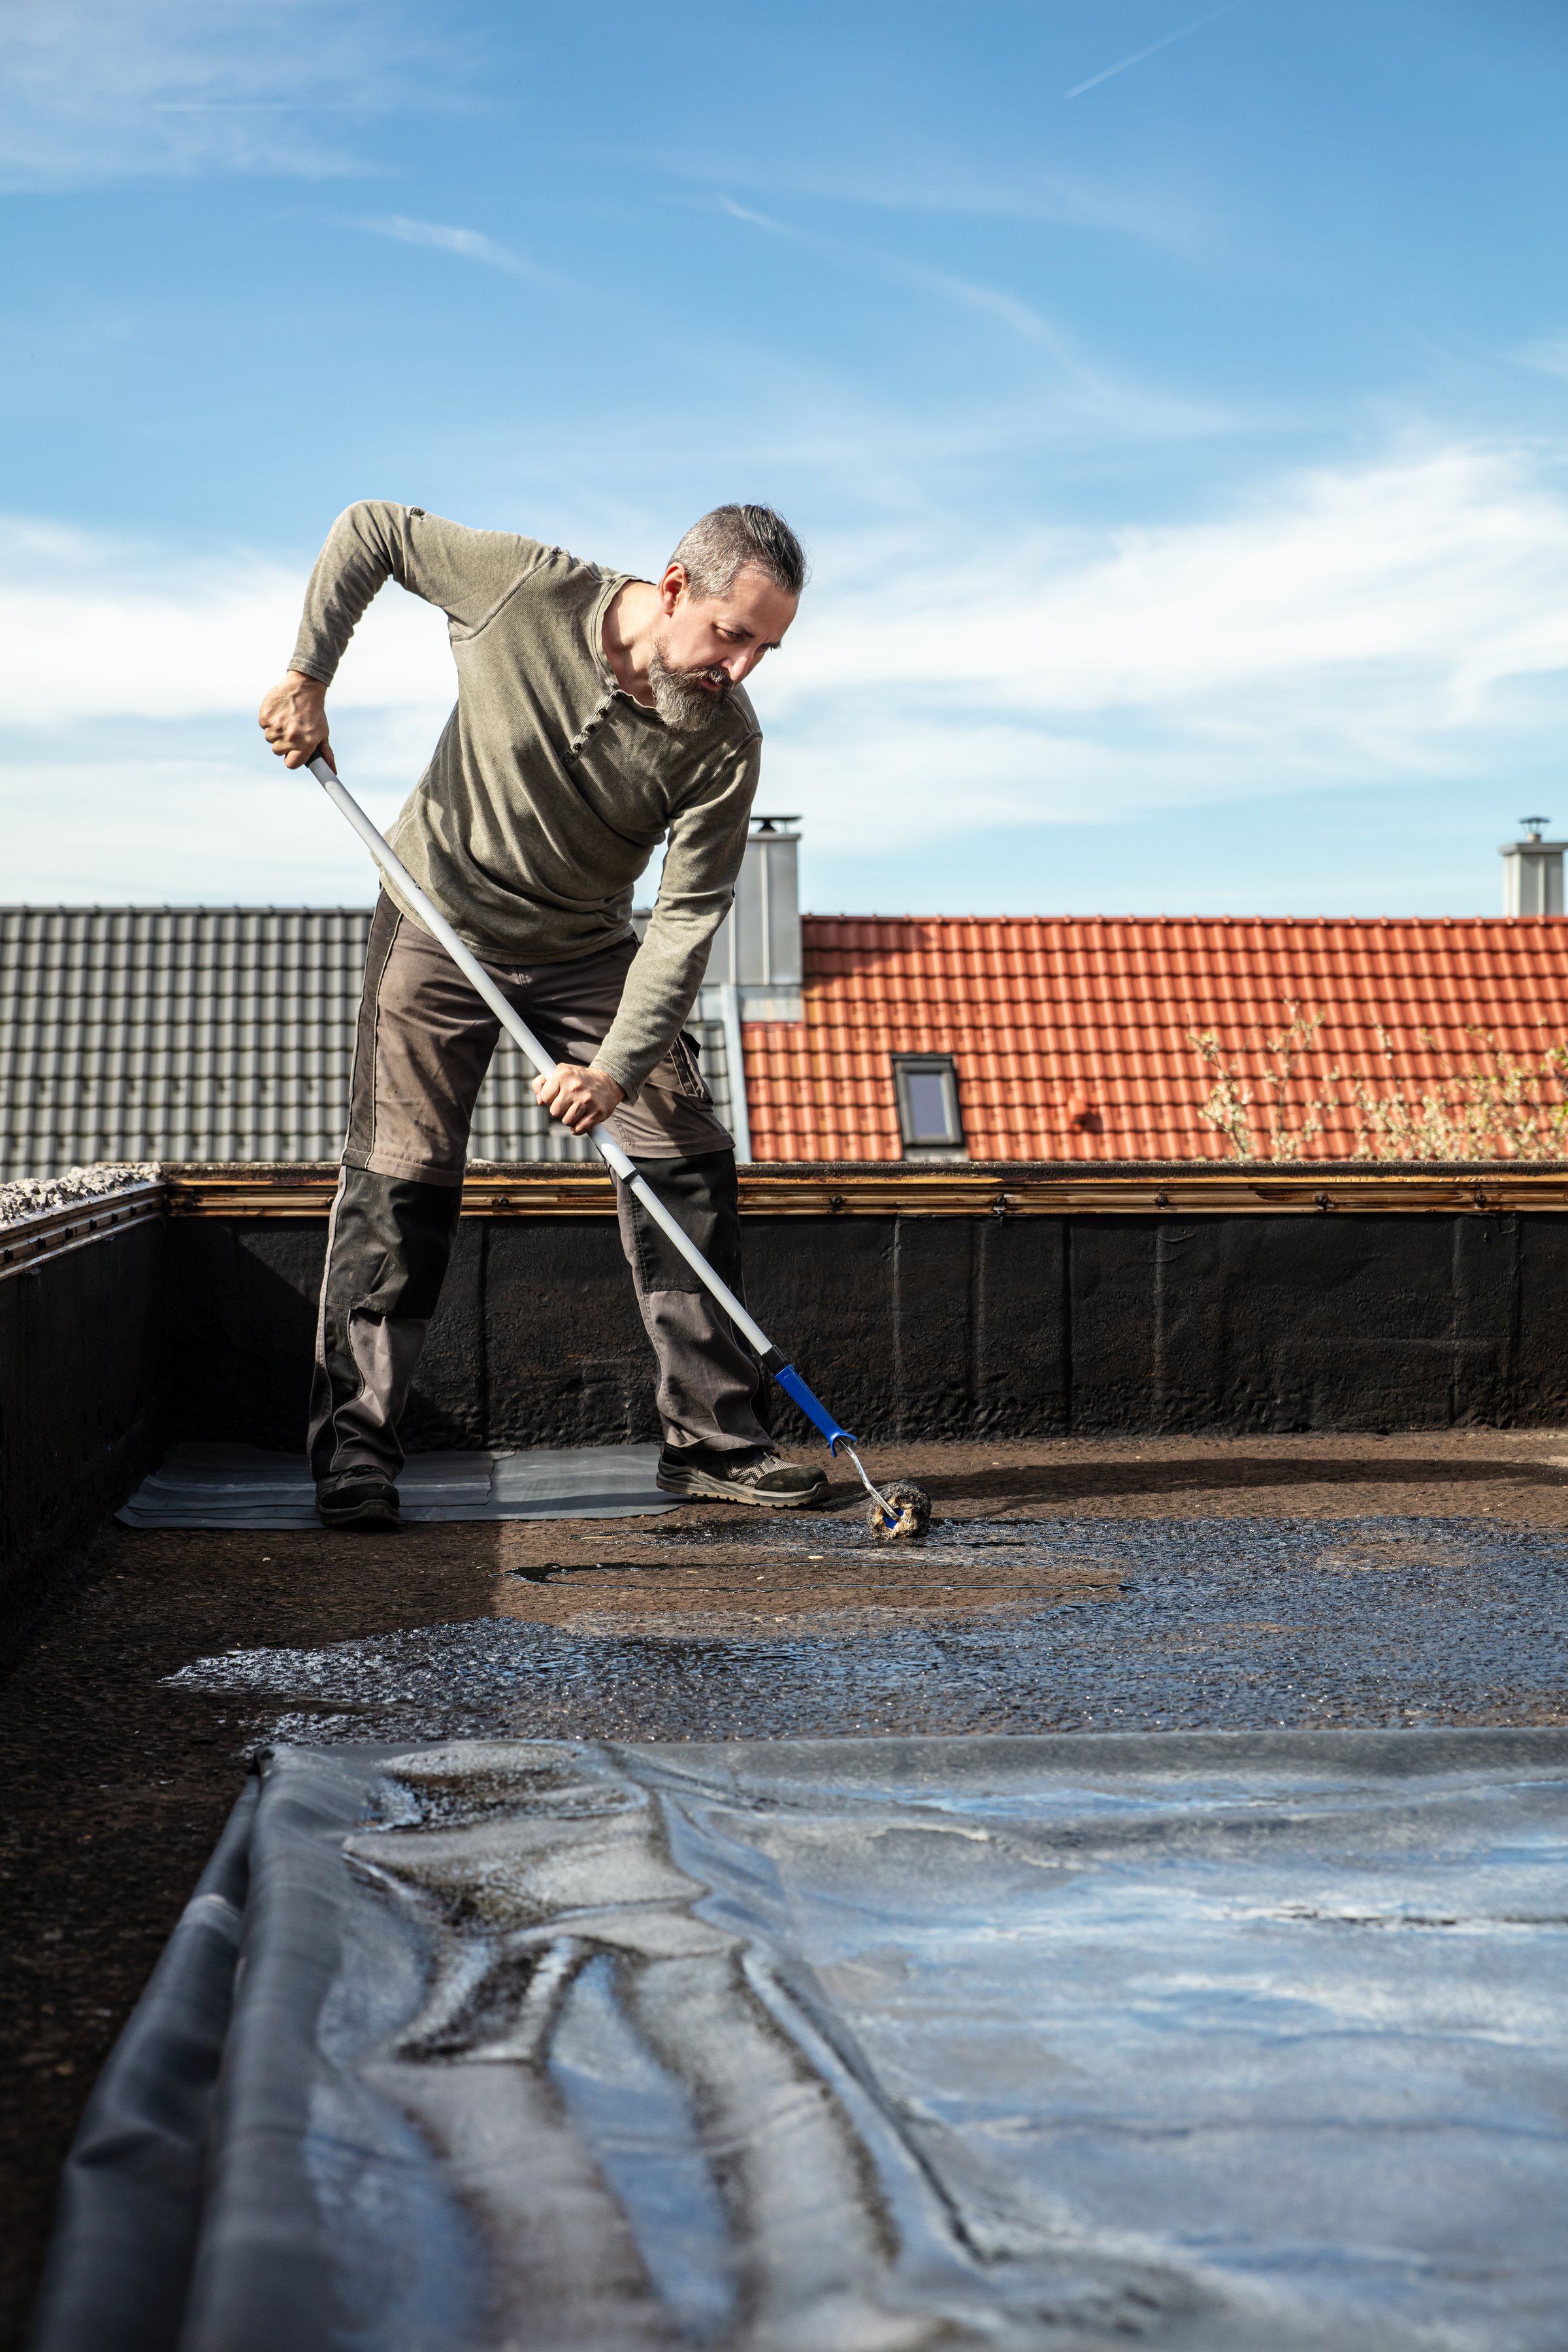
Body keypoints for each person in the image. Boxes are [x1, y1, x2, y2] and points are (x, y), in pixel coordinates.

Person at [257, 499, 827, 1529]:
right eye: (732, 635)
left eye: (766, 650)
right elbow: (370, 529)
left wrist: (613, 1066)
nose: (740, 670)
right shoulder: (523, 588)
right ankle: (355, 1451)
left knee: (685, 1154)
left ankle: (713, 1440)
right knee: (402, 1176)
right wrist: (309, 673)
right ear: (671, 590)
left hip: (586, 951)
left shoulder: (722, 741)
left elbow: (687, 917)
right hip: (437, 920)